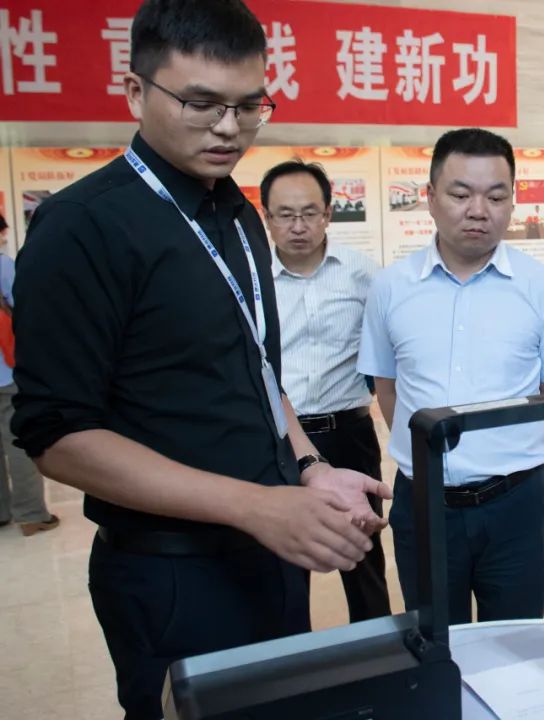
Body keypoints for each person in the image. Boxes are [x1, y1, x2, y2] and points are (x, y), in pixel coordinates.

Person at [10, 2, 389, 717]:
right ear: (135, 92)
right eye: (201, 103)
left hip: (272, 552)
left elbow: (257, 371)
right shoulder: (81, 228)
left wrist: (310, 468)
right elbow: (56, 436)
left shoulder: (239, 215)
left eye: (249, 106)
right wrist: (256, 506)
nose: (228, 127)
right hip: (172, 573)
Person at [359, 128, 544, 625]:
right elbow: (388, 389)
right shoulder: (391, 287)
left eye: (496, 196)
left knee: (516, 640)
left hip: (517, 506)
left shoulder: (543, 288)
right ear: (430, 197)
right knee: (435, 642)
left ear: (512, 202)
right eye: (461, 194)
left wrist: (510, 458)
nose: (478, 210)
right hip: (423, 503)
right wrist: (428, 458)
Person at [262, 159, 390, 622]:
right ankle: (291, 654)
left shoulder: (363, 274)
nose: (298, 226)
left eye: (309, 213)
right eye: (285, 215)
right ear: (267, 217)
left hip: (349, 433)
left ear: (328, 214)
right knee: (284, 559)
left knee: (363, 550)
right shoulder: (252, 280)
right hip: (278, 440)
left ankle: (377, 648)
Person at [0, 214, 59, 535]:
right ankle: (31, 514)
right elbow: (23, 307)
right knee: (17, 441)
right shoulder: (3, 265)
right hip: (5, 370)